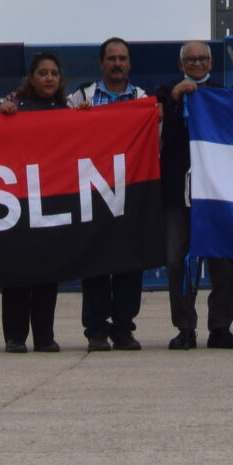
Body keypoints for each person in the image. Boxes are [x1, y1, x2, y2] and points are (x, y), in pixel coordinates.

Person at [159, 41, 233, 351]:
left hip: (217, 193)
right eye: (190, 59)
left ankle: (220, 327)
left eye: (202, 59)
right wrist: (173, 99)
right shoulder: (165, 91)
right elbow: (153, 126)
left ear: (210, 62)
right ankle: (185, 327)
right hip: (175, 192)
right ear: (181, 64)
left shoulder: (223, 93)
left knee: (223, 261)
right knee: (175, 261)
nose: (197, 64)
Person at [70, 37, 150, 352]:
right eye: (112, 58)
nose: (117, 64)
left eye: (122, 59)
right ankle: (96, 330)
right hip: (92, 192)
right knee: (96, 262)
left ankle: (123, 328)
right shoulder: (80, 97)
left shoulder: (143, 99)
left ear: (129, 64)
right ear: (102, 63)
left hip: (131, 192)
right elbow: (55, 134)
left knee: (130, 263)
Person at [0, 54, 67, 350]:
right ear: (32, 77)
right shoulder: (15, 109)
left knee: (47, 272)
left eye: (54, 73)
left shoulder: (67, 111)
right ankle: (14, 336)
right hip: (18, 201)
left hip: (51, 200)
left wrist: (87, 117)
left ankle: (44, 336)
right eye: (43, 73)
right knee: (16, 270)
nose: (49, 78)